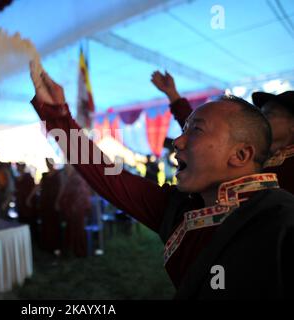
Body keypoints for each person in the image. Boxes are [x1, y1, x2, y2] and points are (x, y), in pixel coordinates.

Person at [29, 61, 294, 299]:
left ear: (241, 154)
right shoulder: (181, 209)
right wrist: (58, 116)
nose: (177, 141)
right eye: (185, 128)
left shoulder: (281, 222)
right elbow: (107, 174)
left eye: (196, 129)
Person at [151, 71, 294, 194]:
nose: (262, 119)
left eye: (269, 114)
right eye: (261, 113)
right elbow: (204, 133)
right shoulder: (264, 156)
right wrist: (173, 95)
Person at [57, 164, 91, 257]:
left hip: (78, 209)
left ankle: (80, 251)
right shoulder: (70, 178)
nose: (66, 170)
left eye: (68, 168)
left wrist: (73, 206)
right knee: (71, 230)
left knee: (78, 230)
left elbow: (81, 194)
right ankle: (73, 250)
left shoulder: (77, 178)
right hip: (72, 209)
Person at [15, 162, 38, 239]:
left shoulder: (28, 177)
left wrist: (29, 198)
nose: (18, 168)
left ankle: (33, 237)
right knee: (22, 219)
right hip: (21, 202)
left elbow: (34, 188)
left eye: (19, 166)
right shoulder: (17, 178)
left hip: (27, 203)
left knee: (30, 219)